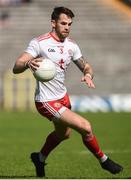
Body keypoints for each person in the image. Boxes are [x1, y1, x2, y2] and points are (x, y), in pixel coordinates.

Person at [12, 6, 123, 177]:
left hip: (63, 97)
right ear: (53, 23)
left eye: (70, 24)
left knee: (63, 134)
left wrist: (87, 74)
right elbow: (16, 66)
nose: (67, 27)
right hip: (46, 100)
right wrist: (27, 64)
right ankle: (104, 161)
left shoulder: (72, 46)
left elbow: (86, 65)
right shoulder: (39, 43)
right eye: (63, 23)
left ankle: (39, 158)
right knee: (85, 127)